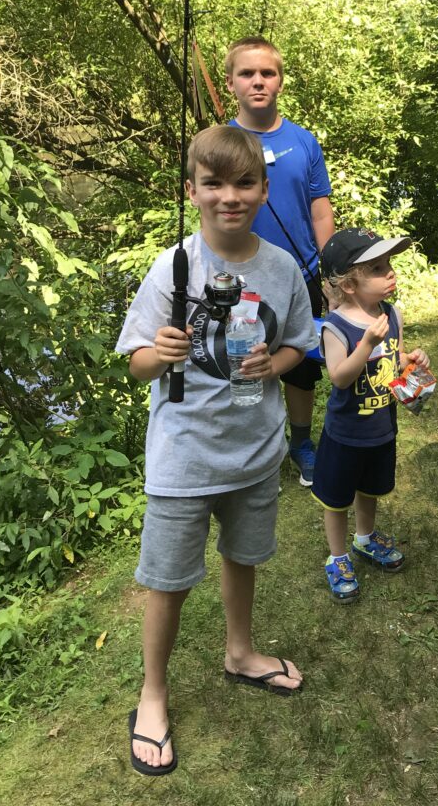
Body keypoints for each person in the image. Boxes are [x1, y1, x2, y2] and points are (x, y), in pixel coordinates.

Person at [116, 127, 318, 775]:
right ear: (192, 191)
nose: (230, 196)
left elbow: (298, 344)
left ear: (264, 190)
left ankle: (240, 652)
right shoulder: (172, 267)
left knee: (243, 556)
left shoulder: (283, 269)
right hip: (183, 457)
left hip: (255, 451)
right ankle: (153, 692)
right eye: (214, 184)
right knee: (167, 579)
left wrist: (273, 364)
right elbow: (136, 364)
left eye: (244, 183)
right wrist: (160, 353)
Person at [225, 36, 335, 487]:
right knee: (243, 361)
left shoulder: (303, 141)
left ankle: (301, 443)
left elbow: (320, 211)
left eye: (267, 73)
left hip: (302, 273)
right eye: (247, 73)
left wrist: (331, 273)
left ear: (280, 82)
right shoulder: (222, 144)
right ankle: (250, 448)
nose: (258, 81)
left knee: (301, 364)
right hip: (240, 277)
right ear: (231, 83)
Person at [311, 228, 430, 602]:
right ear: (349, 284)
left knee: (370, 489)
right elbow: (340, 377)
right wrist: (365, 345)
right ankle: (338, 557)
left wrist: (411, 360)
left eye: (388, 263)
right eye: (377, 268)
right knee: (336, 499)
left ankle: (364, 539)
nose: (390, 272)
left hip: (381, 428)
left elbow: (394, 358)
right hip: (345, 433)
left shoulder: (391, 314)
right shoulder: (336, 326)